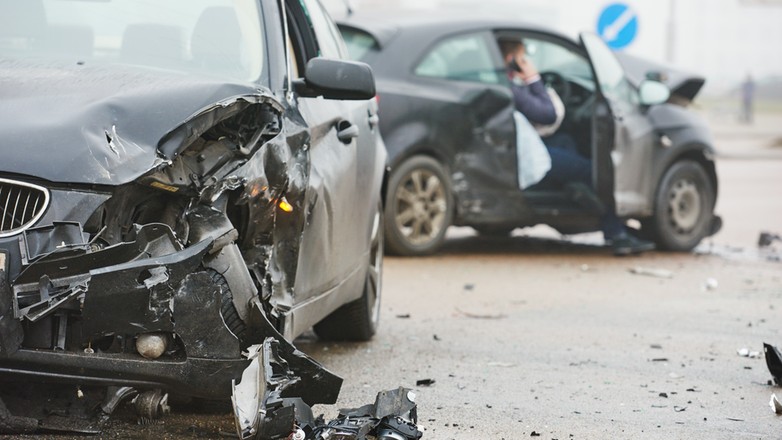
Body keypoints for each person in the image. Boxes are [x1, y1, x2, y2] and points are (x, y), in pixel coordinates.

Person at [498, 37, 655, 256]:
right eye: (523, 58)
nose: (526, 62)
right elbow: (547, 114)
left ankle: (573, 190)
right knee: (594, 172)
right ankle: (616, 232)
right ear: (511, 59)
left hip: (518, 147)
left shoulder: (500, 83)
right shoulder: (510, 88)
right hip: (523, 155)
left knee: (566, 142)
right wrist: (533, 78)